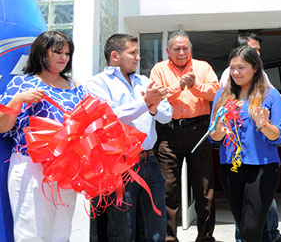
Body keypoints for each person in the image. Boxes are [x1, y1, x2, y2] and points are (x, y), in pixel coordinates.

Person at [0, 31, 86, 241]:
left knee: (61, 230)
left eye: (67, 53)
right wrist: (18, 100)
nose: (63, 57)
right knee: (31, 231)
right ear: (41, 53)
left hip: (67, 167)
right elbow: (3, 126)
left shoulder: (75, 86)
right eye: (57, 52)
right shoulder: (22, 84)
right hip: (32, 165)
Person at [86, 33, 172, 241]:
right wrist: (146, 102)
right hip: (119, 165)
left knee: (155, 229)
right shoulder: (97, 83)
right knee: (122, 231)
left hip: (150, 161)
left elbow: (166, 114)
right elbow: (112, 116)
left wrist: (151, 108)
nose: (138, 57)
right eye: (133, 53)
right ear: (115, 55)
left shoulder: (145, 81)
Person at [221, 32, 281, 242]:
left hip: (263, 167)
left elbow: (279, 136)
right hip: (230, 168)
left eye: (241, 67)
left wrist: (264, 125)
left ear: (255, 68)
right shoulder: (222, 96)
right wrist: (218, 130)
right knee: (247, 226)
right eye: (232, 68)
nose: (235, 72)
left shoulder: (271, 96)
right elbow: (214, 136)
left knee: (251, 229)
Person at [150, 30, 220, 242]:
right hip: (168, 133)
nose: (182, 52)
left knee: (204, 188)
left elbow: (216, 93)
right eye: (177, 49)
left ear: (191, 48)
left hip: (199, 130)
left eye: (185, 48)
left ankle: (205, 237)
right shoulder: (159, 69)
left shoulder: (203, 67)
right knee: (167, 189)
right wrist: (179, 86)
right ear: (167, 50)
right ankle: (169, 238)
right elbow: (156, 97)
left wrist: (195, 86)